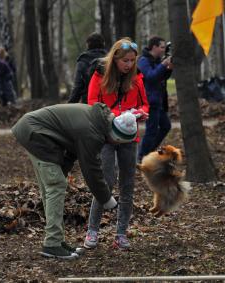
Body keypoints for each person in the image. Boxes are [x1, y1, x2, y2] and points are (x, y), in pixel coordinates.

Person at [11, 102, 139, 259]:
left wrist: (61, 171)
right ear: (116, 137)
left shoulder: (97, 121)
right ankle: (52, 244)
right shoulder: (93, 133)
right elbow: (91, 169)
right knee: (56, 185)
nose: (116, 145)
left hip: (35, 131)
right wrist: (106, 198)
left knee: (53, 185)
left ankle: (57, 240)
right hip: (35, 134)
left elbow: (72, 150)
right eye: (119, 142)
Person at [85, 38, 149, 250]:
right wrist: (114, 115)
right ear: (115, 59)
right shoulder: (100, 74)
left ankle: (121, 233)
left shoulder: (137, 77)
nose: (129, 64)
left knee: (128, 184)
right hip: (106, 135)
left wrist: (140, 114)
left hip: (130, 137)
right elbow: (92, 103)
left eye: (132, 60)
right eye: (125, 61)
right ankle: (92, 231)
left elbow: (144, 104)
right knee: (106, 180)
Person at [137, 36, 173, 162]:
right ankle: (142, 157)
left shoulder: (156, 60)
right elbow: (151, 77)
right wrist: (163, 64)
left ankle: (148, 151)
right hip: (150, 101)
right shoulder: (143, 61)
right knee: (151, 131)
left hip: (158, 100)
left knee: (166, 126)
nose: (164, 50)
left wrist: (168, 69)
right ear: (154, 47)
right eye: (162, 47)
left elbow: (161, 77)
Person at [68, 32, 107, 104]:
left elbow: (78, 86)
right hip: (109, 103)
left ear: (88, 44)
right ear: (103, 44)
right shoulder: (110, 59)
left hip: (88, 103)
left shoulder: (83, 60)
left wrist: (70, 105)